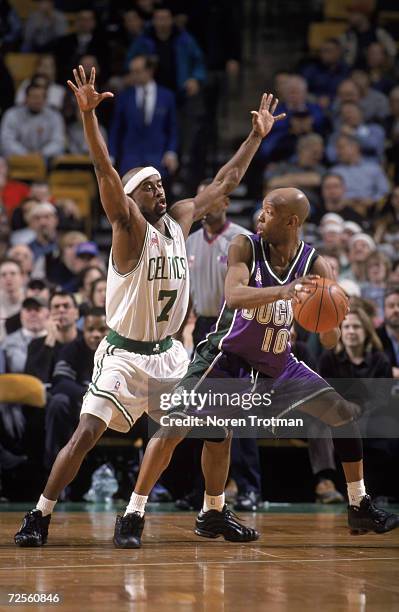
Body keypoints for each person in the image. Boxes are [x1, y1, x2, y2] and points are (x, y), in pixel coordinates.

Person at [14, 65, 285, 547]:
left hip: (167, 353)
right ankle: (40, 514)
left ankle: (213, 511)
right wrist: (88, 119)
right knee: (85, 435)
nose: (159, 190)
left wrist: (255, 137)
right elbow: (104, 171)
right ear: (132, 198)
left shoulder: (179, 218)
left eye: (160, 184)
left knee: (217, 425)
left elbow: (225, 182)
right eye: (148, 187)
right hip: (123, 354)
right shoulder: (127, 226)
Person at [116, 186, 399, 547]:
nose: (260, 217)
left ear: (292, 222)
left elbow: (329, 341)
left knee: (342, 413)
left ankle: (359, 504)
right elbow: (233, 295)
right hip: (226, 358)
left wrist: (328, 316)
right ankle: (133, 513)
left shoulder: (315, 264)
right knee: (179, 428)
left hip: (277, 364)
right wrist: (286, 292)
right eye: (261, 210)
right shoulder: (245, 246)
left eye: (268, 211)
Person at [109, 55, 178, 177]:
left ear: (149, 71)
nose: (134, 75)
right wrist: (111, 155)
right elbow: (116, 129)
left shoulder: (166, 96)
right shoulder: (124, 97)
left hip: (157, 158)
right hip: (130, 159)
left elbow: (172, 128)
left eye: (138, 72)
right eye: (132, 72)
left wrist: (171, 152)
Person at [0, 84, 65, 162]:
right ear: (26, 98)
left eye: (41, 97)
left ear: (45, 99)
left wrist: (41, 154)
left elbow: (58, 142)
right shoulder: (12, 114)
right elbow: (7, 141)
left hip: (46, 160)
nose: (37, 101)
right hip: (17, 160)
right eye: (34, 97)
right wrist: (26, 154)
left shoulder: (54, 116)